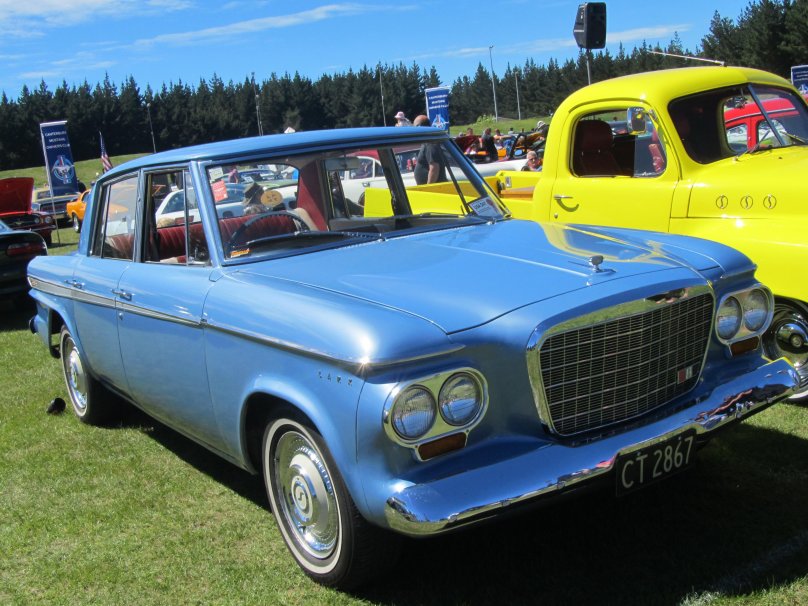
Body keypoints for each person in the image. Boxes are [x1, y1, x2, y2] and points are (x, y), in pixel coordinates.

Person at [413, 114, 447, 185]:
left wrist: (429, 187)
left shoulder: (430, 143)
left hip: (434, 191)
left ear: (419, 127)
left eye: (414, 127)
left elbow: (434, 168)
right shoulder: (427, 142)